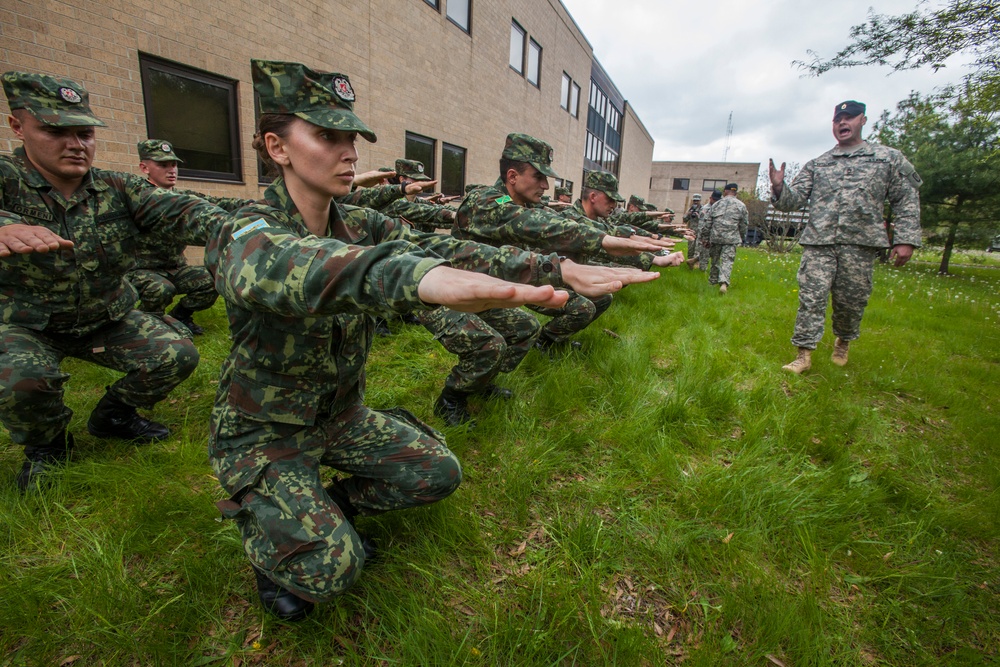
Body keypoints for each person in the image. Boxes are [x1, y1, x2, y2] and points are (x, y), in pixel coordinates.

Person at [205, 59, 660, 621]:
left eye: (351, 138)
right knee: (331, 571)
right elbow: (310, 267)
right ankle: (273, 535)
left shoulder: (361, 223)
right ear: (277, 147)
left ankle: (326, 506)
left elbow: (444, 248)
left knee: (439, 472)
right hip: (264, 429)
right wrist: (418, 279)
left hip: (337, 414)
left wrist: (555, 267)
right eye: (327, 136)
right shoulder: (245, 229)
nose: (348, 152)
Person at [0, 71, 229, 491]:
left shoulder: (116, 187)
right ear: (19, 126)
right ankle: (47, 446)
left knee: (176, 354)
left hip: (105, 316)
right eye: (56, 131)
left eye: (85, 132)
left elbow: (185, 210)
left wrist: (258, 228)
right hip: (26, 324)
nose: (76, 144)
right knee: (20, 380)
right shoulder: (5, 177)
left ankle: (113, 416)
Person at [454, 133, 672, 352]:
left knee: (592, 301)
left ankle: (548, 343)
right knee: (524, 328)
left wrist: (643, 253)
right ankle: (533, 348)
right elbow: (543, 225)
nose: (546, 186)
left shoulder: (518, 203)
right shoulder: (486, 202)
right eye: (538, 176)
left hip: (516, 277)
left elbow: (565, 221)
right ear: (512, 176)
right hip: (459, 287)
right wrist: (605, 242)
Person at [770, 99, 922, 373]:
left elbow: (906, 198)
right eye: (838, 119)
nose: (842, 122)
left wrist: (905, 238)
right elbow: (794, 201)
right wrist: (780, 188)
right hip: (820, 242)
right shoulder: (819, 164)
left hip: (860, 244)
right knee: (811, 297)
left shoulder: (888, 158)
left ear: (863, 120)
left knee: (851, 301)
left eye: (849, 117)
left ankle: (844, 339)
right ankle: (803, 354)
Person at [129, 139, 250, 335]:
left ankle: (180, 316)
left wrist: (258, 204)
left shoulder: (181, 197)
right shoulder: (135, 198)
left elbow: (218, 202)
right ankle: (145, 326)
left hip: (175, 267)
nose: (171, 170)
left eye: (173, 164)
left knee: (213, 279)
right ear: (144, 167)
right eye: (162, 165)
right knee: (161, 289)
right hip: (142, 270)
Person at [561, 170, 684, 270]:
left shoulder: (599, 219)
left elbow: (621, 231)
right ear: (593, 197)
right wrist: (655, 258)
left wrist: (655, 241)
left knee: (622, 273)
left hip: (575, 270)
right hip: (556, 280)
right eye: (610, 199)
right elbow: (607, 246)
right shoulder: (571, 218)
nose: (614, 205)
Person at [701, 183, 748, 294]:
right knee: (727, 261)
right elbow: (744, 224)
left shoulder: (716, 204)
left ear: (725, 191)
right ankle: (723, 283)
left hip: (716, 237)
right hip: (731, 238)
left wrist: (705, 238)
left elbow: (708, 223)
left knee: (715, 260)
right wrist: (741, 236)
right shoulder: (741, 206)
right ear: (736, 192)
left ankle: (712, 281)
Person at [683, 194, 703, 267]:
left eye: (697, 201)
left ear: (700, 201)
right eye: (694, 200)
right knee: (691, 248)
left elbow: (705, 220)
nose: (696, 202)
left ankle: (696, 264)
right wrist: (688, 214)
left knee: (698, 248)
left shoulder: (703, 209)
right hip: (692, 232)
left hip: (700, 232)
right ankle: (690, 262)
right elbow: (684, 220)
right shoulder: (690, 209)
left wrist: (699, 216)